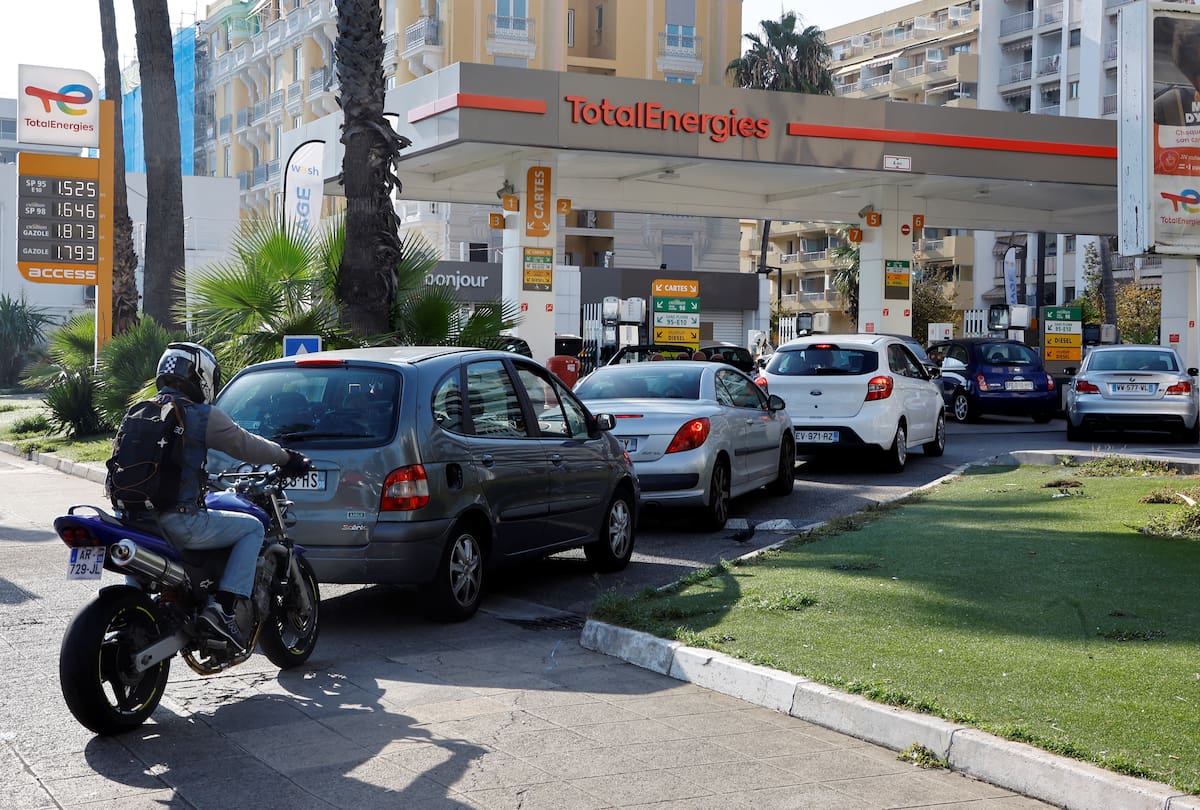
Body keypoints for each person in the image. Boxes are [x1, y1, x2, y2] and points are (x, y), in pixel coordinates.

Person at [121, 342, 311, 650]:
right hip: (179, 522)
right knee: (253, 528)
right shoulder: (199, 415)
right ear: (202, 376)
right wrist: (287, 458)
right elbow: (245, 445)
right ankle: (223, 608)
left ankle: (136, 609)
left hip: (132, 519)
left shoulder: (140, 411)